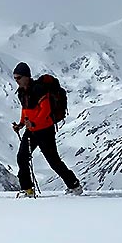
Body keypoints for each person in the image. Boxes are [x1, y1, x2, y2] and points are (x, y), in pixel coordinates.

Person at [11, 62, 82, 196]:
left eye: (18, 77)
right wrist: (21, 124)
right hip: (32, 129)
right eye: (15, 78)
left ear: (26, 76)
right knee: (22, 157)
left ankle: (74, 185)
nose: (16, 81)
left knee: (53, 160)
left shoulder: (38, 89)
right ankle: (27, 189)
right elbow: (25, 110)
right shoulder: (22, 92)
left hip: (44, 130)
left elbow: (46, 110)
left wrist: (33, 123)